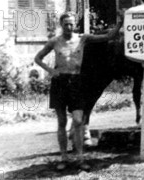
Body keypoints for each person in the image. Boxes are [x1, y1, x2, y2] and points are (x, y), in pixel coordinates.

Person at [34, 12, 122, 171]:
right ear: (61, 25)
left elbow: (109, 36)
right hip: (60, 82)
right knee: (61, 122)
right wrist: (50, 71)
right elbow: (38, 58)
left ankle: (80, 157)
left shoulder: (82, 38)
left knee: (78, 120)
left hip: (76, 82)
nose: (69, 27)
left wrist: (120, 23)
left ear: (75, 25)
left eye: (71, 24)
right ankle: (64, 157)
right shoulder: (54, 41)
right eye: (66, 24)